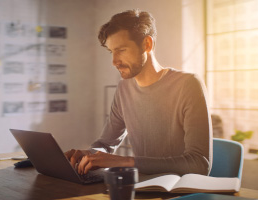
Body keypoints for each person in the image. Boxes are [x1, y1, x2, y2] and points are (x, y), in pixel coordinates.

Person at [65, 9, 212, 176]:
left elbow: (199, 164)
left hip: (180, 192)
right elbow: (106, 143)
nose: (114, 62)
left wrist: (125, 162)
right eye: (111, 52)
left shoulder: (189, 85)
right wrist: (89, 155)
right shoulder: (124, 89)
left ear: (147, 44)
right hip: (143, 188)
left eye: (121, 50)